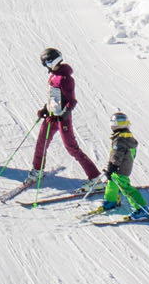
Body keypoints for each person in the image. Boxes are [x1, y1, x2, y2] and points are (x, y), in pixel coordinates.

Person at [23, 47, 101, 189]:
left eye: (45, 63)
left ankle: (95, 178)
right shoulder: (53, 75)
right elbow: (54, 97)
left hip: (62, 119)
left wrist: (64, 113)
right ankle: (37, 170)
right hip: (52, 116)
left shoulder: (65, 79)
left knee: (71, 147)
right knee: (41, 142)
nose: (45, 66)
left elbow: (72, 101)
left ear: (51, 61)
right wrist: (46, 109)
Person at [101, 112, 149, 218]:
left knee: (125, 188)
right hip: (123, 166)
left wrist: (112, 166)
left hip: (120, 168)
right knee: (112, 182)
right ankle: (111, 201)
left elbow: (117, 155)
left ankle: (141, 208)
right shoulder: (127, 137)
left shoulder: (120, 140)